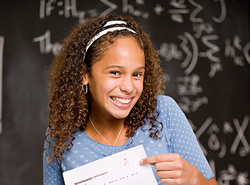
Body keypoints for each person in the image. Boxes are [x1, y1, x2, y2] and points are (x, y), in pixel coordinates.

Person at [43, 14, 218, 185]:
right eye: (115, 72)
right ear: (84, 74)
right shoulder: (60, 136)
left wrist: (195, 179)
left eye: (136, 74)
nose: (128, 87)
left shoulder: (163, 112)